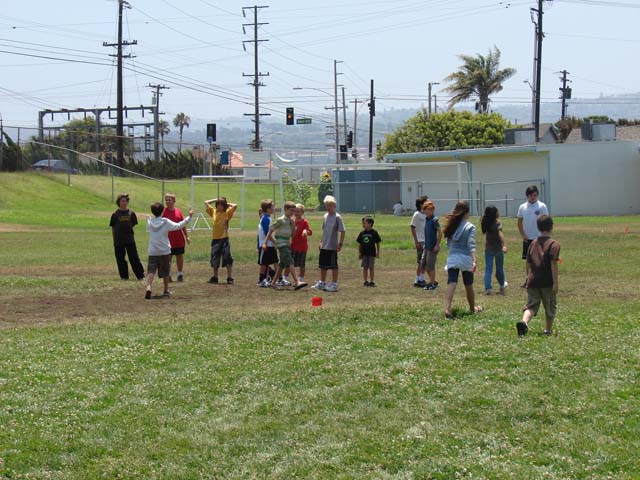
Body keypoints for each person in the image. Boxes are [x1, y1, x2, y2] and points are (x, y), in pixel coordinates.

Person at [516, 215, 560, 337]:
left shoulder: (533, 243)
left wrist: (528, 278)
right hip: (547, 281)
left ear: (538, 228)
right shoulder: (554, 244)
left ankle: (524, 322)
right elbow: (553, 264)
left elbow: (528, 263)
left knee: (531, 305)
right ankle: (548, 330)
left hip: (533, 280)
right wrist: (555, 283)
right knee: (550, 306)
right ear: (551, 227)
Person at [145, 202, 193, 299]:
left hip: (153, 250)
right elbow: (178, 226)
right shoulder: (165, 221)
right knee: (165, 271)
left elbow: (149, 225)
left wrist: (148, 218)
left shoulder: (150, 222)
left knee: (151, 270)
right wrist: (189, 217)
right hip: (164, 250)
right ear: (162, 211)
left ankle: (149, 286)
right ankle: (166, 290)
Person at [443, 201, 482, 318]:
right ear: (466, 212)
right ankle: (472, 309)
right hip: (465, 258)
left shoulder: (452, 225)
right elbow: (471, 244)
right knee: (468, 284)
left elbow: (448, 242)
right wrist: (474, 259)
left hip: (453, 257)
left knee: (452, 282)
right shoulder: (470, 226)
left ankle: (447, 308)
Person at [262, 201, 308, 290]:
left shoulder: (291, 221)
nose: (293, 213)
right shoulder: (280, 220)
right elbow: (270, 230)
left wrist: (293, 225)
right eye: (291, 210)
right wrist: (265, 242)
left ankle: (273, 283)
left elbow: (292, 235)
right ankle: (297, 282)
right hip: (281, 245)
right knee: (290, 261)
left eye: (294, 211)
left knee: (281, 265)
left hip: (287, 244)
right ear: (285, 209)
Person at [311, 195, 346, 292]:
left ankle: (334, 284)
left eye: (330, 206)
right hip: (324, 245)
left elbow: (342, 231)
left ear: (334, 206)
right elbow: (324, 230)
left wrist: (340, 244)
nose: (328, 208)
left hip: (332, 246)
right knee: (322, 265)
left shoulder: (337, 217)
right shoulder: (325, 216)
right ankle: (322, 283)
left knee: (333, 266)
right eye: (327, 205)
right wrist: (321, 241)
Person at [517, 185, 548, 286]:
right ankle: (528, 280)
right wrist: (523, 235)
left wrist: (545, 235)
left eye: (535, 195)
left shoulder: (542, 206)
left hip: (540, 238)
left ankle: (542, 280)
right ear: (527, 196)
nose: (533, 197)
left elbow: (547, 221)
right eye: (531, 195)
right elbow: (519, 222)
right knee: (528, 260)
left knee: (541, 259)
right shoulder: (522, 207)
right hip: (528, 238)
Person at [109, 193, 145, 281]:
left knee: (134, 258)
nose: (124, 203)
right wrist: (114, 239)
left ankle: (140, 275)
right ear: (119, 202)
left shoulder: (131, 213)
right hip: (118, 240)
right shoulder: (115, 214)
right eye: (122, 201)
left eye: (125, 201)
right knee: (120, 259)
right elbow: (113, 227)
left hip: (129, 239)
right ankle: (124, 276)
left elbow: (132, 224)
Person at [204, 196, 237, 285]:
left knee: (227, 258)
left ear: (224, 206)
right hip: (215, 239)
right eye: (218, 204)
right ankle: (215, 277)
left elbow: (235, 206)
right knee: (215, 258)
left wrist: (226, 203)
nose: (220, 206)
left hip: (224, 239)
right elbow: (206, 202)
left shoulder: (227, 212)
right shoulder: (213, 212)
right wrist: (216, 199)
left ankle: (229, 277)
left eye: (222, 205)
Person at [162, 193, 190, 283]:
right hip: (168, 239)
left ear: (174, 201)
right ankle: (168, 274)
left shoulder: (178, 211)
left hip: (178, 239)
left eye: (169, 200)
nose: (167, 201)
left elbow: (183, 225)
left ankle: (180, 274)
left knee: (179, 256)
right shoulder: (163, 212)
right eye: (166, 200)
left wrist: (187, 236)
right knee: (168, 258)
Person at [481, 205, 508, 295]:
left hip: (488, 249)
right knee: (499, 269)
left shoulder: (485, 222)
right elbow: (500, 233)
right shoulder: (497, 222)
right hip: (498, 249)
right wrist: (504, 245)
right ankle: (502, 285)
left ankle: (488, 288)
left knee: (488, 269)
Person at [257, 199, 278, 287]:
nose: (274, 208)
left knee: (272, 261)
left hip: (270, 245)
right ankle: (261, 280)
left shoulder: (268, 217)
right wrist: (275, 241)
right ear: (268, 208)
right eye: (272, 206)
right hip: (265, 245)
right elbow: (267, 233)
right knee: (264, 263)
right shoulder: (265, 219)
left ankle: (275, 278)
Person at [422, 200, 442, 290]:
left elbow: (440, 233)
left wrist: (437, 245)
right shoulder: (427, 219)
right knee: (424, 265)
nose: (427, 211)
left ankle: (433, 284)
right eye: (425, 209)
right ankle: (433, 281)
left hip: (432, 247)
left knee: (430, 266)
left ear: (432, 210)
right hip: (427, 246)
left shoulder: (434, 220)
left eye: (429, 210)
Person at [356, 216, 381, 287]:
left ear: (370, 224)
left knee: (371, 267)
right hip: (364, 254)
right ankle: (365, 281)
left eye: (365, 223)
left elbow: (378, 243)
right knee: (365, 268)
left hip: (372, 254)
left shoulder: (374, 232)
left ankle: (372, 281)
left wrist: (378, 252)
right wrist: (359, 253)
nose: (363, 224)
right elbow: (360, 244)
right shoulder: (362, 233)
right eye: (363, 223)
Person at [291, 203, 312, 283]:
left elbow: (309, 231)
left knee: (302, 264)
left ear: (302, 212)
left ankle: (301, 279)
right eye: (295, 211)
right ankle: (285, 278)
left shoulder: (304, 222)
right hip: (293, 246)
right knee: (290, 263)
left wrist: (306, 231)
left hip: (302, 247)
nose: (296, 213)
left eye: (298, 211)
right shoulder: (292, 221)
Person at [410, 195, 428, 287]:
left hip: (426, 240)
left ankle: (422, 278)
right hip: (420, 241)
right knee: (420, 261)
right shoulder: (417, 214)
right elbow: (412, 227)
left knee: (425, 261)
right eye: (425, 202)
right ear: (421, 204)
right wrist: (416, 241)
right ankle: (417, 280)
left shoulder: (426, 214)